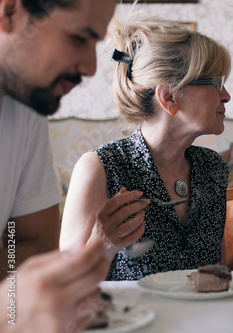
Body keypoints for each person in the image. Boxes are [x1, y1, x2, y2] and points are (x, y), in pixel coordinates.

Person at [60, 14, 232, 280]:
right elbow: (66, 283)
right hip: (130, 320)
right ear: (169, 97)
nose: (226, 95)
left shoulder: (213, 167)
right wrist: (103, 244)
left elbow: (218, 269)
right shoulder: (101, 168)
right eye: (215, 83)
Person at [0, 0, 138, 331]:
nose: (91, 67)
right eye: (79, 38)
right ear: (10, 12)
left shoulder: (26, 106)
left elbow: (28, 240)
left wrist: (16, 307)